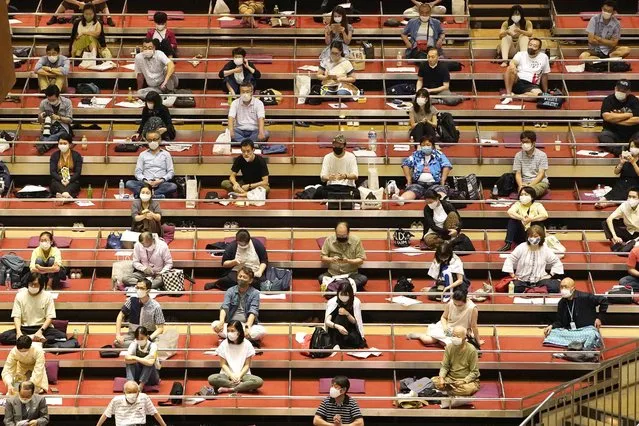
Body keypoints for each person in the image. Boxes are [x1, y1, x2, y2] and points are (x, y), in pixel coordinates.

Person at [0, 272, 68, 347]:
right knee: (3, 337)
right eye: (30, 284)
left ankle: (25, 341)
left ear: (41, 285)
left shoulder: (48, 296)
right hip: (24, 329)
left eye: (35, 284)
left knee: (62, 336)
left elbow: (50, 317)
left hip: (42, 328)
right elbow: (17, 316)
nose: (32, 286)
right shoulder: (20, 295)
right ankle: (35, 340)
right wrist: (19, 332)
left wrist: (40, 331)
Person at [543, 278, 607, 350]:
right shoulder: (562, 303)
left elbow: (604, 301)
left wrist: (599, 318)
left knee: (592, 334)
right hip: (571, 331)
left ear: (573, 288)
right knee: (552, 333)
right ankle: (578, 344)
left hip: (586, 330)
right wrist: (551, 326)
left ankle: (577, 344)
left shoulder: (585, 297)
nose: (563, 289)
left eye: (566, 287)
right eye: (561, 287)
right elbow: (560, 322)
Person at [408, 288, 481, 348]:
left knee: (454, 346)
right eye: (455, 304)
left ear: (465, 301)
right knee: (427, 341)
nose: (456, 306)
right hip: (447, 328)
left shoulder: (472, 308)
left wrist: (478, 341)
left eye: (459, 305)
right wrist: (445, 327)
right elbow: (443, 317)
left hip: (461, 332)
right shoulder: (451, 303)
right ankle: (420, 335)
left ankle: (440, 341)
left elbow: (474, 326)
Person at [502, 225, 564, 293]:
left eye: (536, 236)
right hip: (522, 280)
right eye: (531, 236)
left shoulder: (545, 249)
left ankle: (530, 290)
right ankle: (536, 290)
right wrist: (513, 275)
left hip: (540, 280)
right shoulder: (522, 247)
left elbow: (556, 262)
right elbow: (510, 259)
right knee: (515, 287)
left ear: (541, 237)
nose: (533, 238)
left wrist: (551, 275)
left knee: (554, 287)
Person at [393, 133, 452, 205]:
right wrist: (409, 179)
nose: (425, 147)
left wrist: (442, 180)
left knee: (439, 191)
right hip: (418, 183)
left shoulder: (439, 154)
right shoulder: (416, 154)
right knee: (412, 190)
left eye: (428, 145)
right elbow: (405, 164)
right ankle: (401, 200)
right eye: (423, 145)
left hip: (434, 183)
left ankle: (443, 201)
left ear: (432, 146)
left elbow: (447, 165)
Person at [211, 267, 267, 342]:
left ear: (250, 280)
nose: (241, 279)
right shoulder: (230, 291)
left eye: (244, 277)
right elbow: (225, 307)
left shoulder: (255, 293)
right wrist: (221, 322)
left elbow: (253, 311)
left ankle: (232, 338)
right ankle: (243, 338)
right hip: (231, 325)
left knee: (262, 331)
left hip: (246, 325)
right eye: (240, 276)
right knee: (214, 324)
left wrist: (247, 327)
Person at [208, 320, 264, 393]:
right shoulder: (224, 344)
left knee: (258, 381)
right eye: (228, 331)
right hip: (227, 374)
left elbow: (247, 365)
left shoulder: (247, 344)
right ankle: (241, 386)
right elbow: (223, 364)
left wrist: (239, 376)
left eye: (232, 331)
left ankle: (230, 389)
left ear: (239, 332)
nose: (229, 333)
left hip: (243, 375)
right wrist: (231, 376)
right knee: (212, 379)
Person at [432, 325, 480, 405]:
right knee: (433, 381)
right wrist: (441, 378)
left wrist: (463, 381)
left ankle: (443, 393)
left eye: (458, 336)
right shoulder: (449, 347)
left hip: (466, 382)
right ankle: (449, 392)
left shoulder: (472, 350)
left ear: (465, 338)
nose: (455, 338)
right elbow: (445, 366)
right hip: (450, 379)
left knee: (467, 389)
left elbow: (474, 372)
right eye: (453, 336)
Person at [115, 278, 166, 348]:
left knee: (158, 345)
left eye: (142, 288)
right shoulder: (131, 300)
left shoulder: (156, 306)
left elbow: (161, 328)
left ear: (148, 290)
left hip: (149, 335)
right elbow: (120, 316)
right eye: (137, 287)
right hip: (133, 335)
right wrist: (118, 335)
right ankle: (141, 347)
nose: (139, 290)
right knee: (117, 342)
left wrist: (149, 338)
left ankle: (138, 346)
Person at [319, 222, 368, 290]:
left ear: (348, 232)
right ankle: (345, 287)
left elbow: (361, 260)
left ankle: (335, 287)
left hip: (351, 275)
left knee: (363, 279)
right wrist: (331, 259)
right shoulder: (329, 240)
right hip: (333, 274)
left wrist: (349, 261)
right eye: (339, 236)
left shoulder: (356, 240)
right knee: (321, 278)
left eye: (344, 236)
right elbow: (323, 257)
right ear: (335, 232)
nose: (341, 238)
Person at [501, 38, 550, 105]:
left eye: (534, 46)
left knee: (538, 95)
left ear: (539, 49)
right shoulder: (521, 54)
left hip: (532, 84)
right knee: (510, 68)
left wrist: (545, 91)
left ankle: (513, 96)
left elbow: (544, 75)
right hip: (517, 80)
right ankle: (508, 93)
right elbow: (513, 61)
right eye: (530, 45)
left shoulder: (544, 57)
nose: (531, 47)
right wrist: (512, 65)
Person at [498, 186, 548, 252]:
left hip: (533, 234)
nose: (523, 196)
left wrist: (531, 219)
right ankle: (508, 244)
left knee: (538, 223)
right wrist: (522, 218)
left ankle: (538, 244)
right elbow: (510, 212)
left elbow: (545, 215)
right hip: (521, 235)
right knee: (512, 221)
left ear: (532, 196)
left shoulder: (538, 205)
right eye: (521, 194)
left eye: (526, 194)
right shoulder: (518, 204)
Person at [97, 380, 167, 426]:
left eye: (134, 392)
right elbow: (106, 415)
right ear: (124, 392)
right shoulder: (116, 400)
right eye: (129, 392)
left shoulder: (144, 397)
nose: (132, 394)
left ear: (138, 392)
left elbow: (155, 413)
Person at [598, 80, 639, 157]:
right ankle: (619, 151)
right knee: (603, 136)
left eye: (623, 90)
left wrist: (614, 119)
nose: (620, 92)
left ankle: (631, 148)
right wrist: (630, 115)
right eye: (618, 89)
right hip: (613, 133)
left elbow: (637, 119)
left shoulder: (634, 100)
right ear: (615, 89)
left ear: (629, 91)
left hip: (632, 134)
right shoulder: (608, 100)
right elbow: (606, 117)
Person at [596, 137, 639, 208]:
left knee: (625, 194)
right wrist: (621, 163)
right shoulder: (627, 157)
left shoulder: (632, 160)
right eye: (631, 146)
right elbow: (616, 172)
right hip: (621, 183)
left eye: (636, 146)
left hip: (635, 185)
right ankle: (601, 201)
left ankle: (608, 204)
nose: (633, 148)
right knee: (613, 192)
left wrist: (633, 162)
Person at [314, 134, 359, 201]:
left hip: (347, 187)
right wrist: (328, 177)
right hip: (331, 187)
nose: (337, 147)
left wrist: (345, 176)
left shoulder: (351, 157)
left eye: (340, 145)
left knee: (357, 194)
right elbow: (323, 177)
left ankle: (330, 199)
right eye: (335, 145)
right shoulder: (327, 157)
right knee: (319, 191)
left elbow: (355, 176)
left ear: (344, 146)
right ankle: (333, 198)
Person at [324, 280, 365, 349]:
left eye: (346, 295)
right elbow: (327, 321)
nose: (343, 297)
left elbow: (355, 321)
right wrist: (337, 327)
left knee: (355, 340)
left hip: (349, 329)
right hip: (335, 329)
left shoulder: (355, 302)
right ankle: (336, 343)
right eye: (341, 294)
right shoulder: (333, 302)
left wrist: (347, 313)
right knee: (340, 317)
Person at [513, 130, 549, 198]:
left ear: (534, 142)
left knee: (530, 193)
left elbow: (541, 174)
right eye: (523, 142)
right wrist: (520, 186)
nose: (524, 144)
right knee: (523, 193)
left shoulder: (542, 155)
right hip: (524, 183)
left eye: (527, 142)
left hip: (539, 182)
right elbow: (518, 173)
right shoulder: (518, 155)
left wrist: (530, 186)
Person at [124, 326, 160, 391]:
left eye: (142, 338)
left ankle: (141, 386)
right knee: (129, 363)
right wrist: (139, 359)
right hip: (138, 375)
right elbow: (126, 359)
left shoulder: (153, 346)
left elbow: (151, 362)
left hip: (151, 377)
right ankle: (130, 383)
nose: (139, 340)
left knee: (149, 363)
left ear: (147, 337)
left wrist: (135, 358)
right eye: (138, 338)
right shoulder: (134, 344)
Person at [49, 134, 83, 200]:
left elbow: (78, 172)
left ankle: (62, 195)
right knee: (54, 184)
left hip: (71, 180)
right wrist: (61, 179)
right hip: (59, 179)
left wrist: (69, 180)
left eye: (65, 143)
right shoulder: (54, 155)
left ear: (70, 144)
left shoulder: (77, 155)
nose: (62, 145)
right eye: (60, 143)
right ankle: (67, 196)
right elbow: (52, 172)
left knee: (73, 185)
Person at [49, 0, 115, 26]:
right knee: (65, 2)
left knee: (103, 3)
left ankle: (109, 18)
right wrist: (77, 3)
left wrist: (91, 3)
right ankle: (54, 17)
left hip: (92, 4)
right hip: (79, 5)